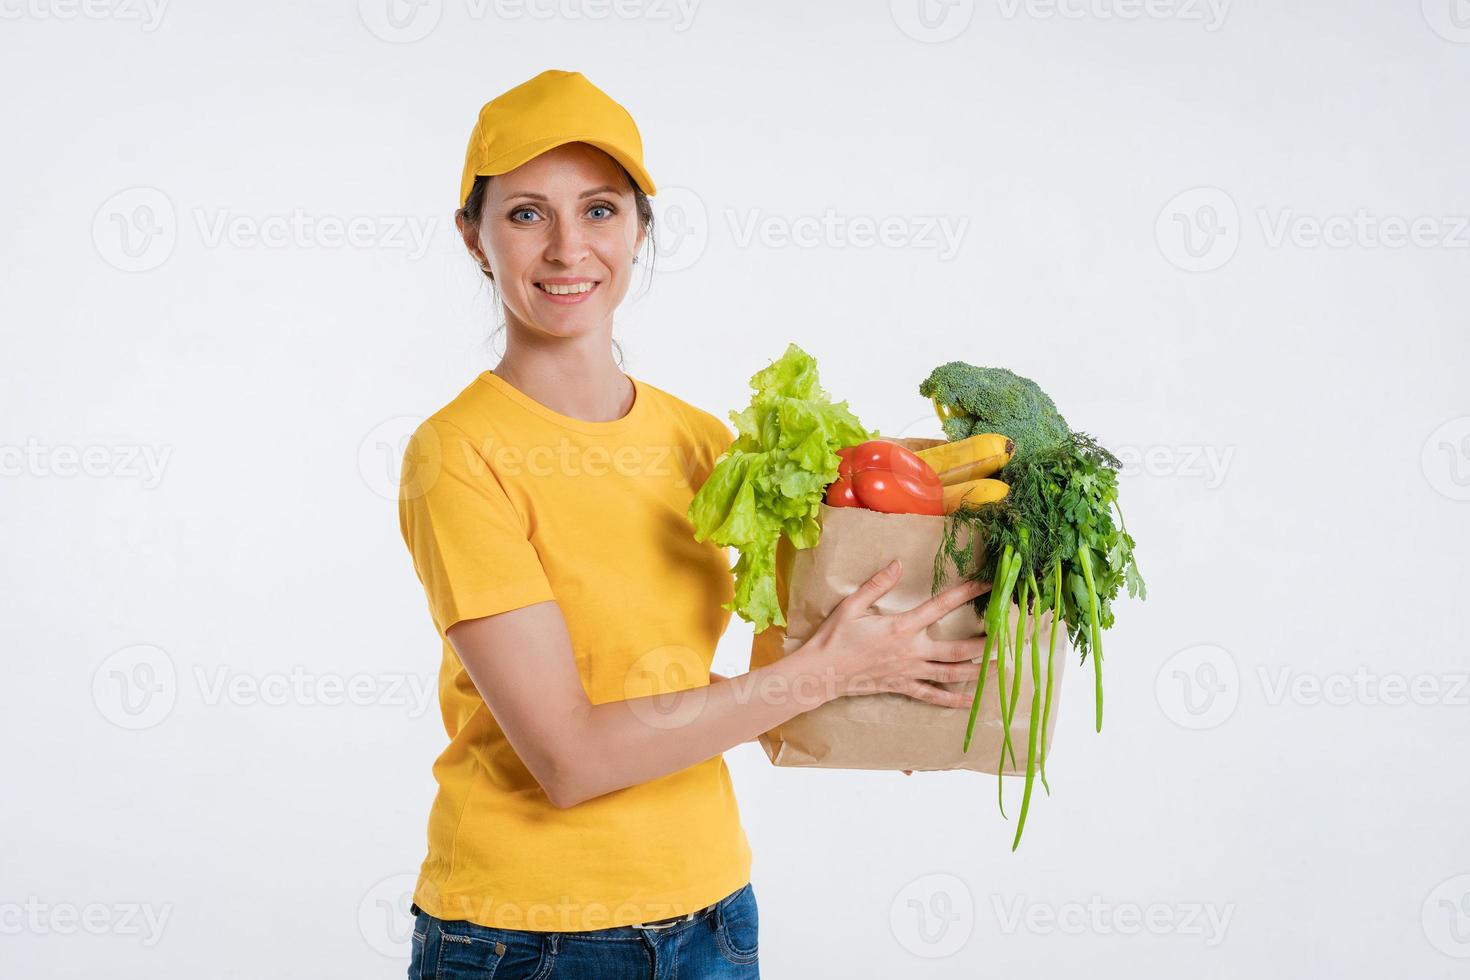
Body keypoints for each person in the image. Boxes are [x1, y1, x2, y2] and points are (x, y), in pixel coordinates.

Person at [396, 68, 990, 980]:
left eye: (599, 210)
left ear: (639, 228)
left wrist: (888, 692)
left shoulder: (698, 440)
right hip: (529, 936)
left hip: (712, 914)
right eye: (525, 214)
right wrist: (825, 673)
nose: (567, 249)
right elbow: (572, 756)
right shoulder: (459, 455)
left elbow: (750, 679)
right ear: (472, 238)